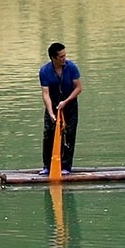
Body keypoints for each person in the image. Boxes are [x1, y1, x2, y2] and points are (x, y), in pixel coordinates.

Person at [39, 41, 82, 173]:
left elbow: (79, 88)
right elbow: (45, 93)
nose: (64, 59)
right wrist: (51, 113)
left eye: (65, 55)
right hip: (53, 104)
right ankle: (47, 166)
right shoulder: (44, 71)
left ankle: (66, 167)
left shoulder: (71, 67)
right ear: (53, 58)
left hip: (69, 104)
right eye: (61, 57)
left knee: (69, 134)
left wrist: (66, 101)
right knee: (49, 135)